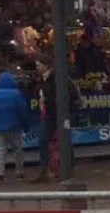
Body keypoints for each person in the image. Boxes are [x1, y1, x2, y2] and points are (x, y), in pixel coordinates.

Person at [33, 55, 79, 183]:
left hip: (57, 113)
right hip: (50, 114)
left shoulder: (56, 78)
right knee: (45, 139)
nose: (37, 67)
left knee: (62, 140)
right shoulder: (43, 79)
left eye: (38, 65)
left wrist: (60, 107)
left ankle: (66, 168)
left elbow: (70, 94)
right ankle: (46, 168)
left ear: (45, 65)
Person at [0, 71, 30, 185]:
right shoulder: (17, 94)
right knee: (18, 151)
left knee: (1, 151)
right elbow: (23, 112)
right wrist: (26, 127)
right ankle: (19, 172)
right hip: (15, 128)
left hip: (0, 129)